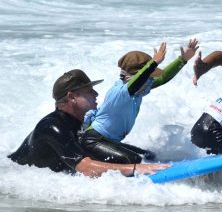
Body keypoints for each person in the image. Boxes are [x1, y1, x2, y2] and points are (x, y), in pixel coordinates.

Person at [8, 69, 168, 177]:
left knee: (144, 156)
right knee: (132, 161)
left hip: (57, 168)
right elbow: (86, 168)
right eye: (89, 91)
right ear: (71, 97)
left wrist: (145, 160)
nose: (96, 94)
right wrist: (136, 169)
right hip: (17, 175)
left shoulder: (81, 121)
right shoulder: (52, 126)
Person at [80, 39, 199, 164]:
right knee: (134, 160)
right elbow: (137, 81)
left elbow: (163, 78)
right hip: (93, 141)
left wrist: (182, 59)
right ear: (128, 78)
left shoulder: (137, 91)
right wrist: (153, 63)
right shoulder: (120, 92)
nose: (151, 82)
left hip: (109, 142)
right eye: (148, 79)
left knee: (149, 156)